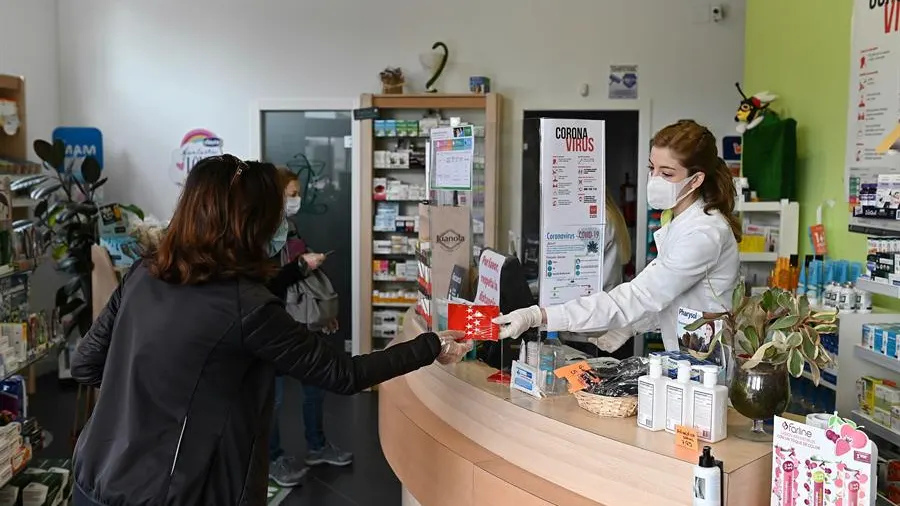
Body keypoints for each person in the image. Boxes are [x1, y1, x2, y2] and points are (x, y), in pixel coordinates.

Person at [69, 155, 472, 506]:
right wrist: (429, 345)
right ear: (248, 224)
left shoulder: (144, 273)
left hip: (95, 477)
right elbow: (344, 374)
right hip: (180, 491)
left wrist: (150, 393)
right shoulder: (246, 306)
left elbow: (86, 363)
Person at [494, 120, 741, 352]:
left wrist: (540, 316)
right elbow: (672, 295)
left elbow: (642, 295)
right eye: (651, 168)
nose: (654, 179)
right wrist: (631, 326)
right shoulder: (680, 221)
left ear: (696, 179)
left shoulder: (704, 232)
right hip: (689, 353)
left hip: (706, 359)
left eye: (667, 174)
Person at [268, 167, 351, 489]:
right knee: (272, 398)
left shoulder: (290, 227)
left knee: (314, 386)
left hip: (303, 319)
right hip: (275, 323)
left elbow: (306, 281)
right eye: (292, 194)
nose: (297, 199)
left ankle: (317, 446)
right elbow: (270, 281)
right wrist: (302, 265)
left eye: (297, 193)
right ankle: (272, 458)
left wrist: (323, 312)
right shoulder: (259, 233)